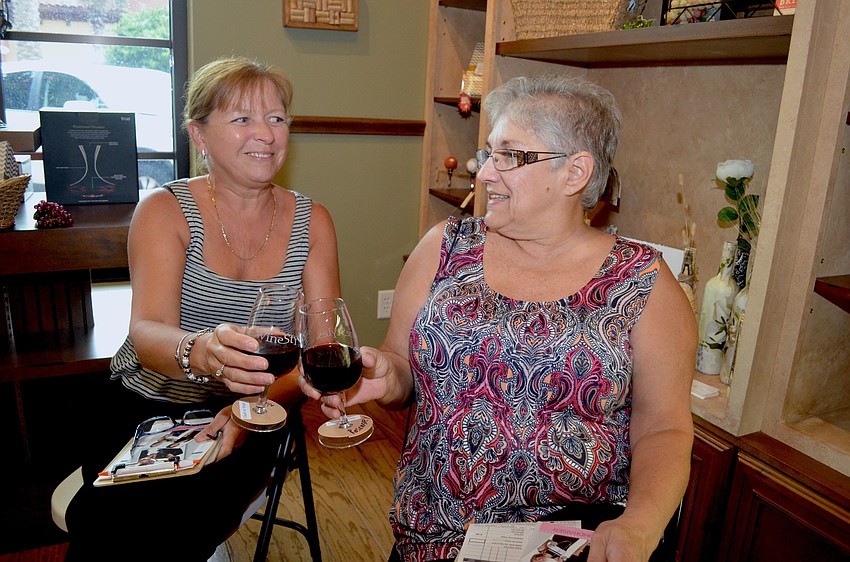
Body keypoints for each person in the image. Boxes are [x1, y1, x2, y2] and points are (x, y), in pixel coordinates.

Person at [301, 74, 696, 562]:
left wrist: (639, 525)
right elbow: (399, 367)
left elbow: (664, 428)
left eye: (509, 155)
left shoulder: (642, 281)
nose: (485, 173)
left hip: (565, 544)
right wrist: (385, 377)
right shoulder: (445, 247)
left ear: (575, 172)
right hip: (435, 537)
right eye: (488, 153)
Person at [64, 56, 340, 560]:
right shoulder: (164, 210)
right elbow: (147, 332)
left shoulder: (313, 220)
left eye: (276, 118)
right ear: (199, 135)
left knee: (185, 513)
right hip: (146, 401)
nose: (265, 134)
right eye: (242, 118)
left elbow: (318, 354)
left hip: (257, 408)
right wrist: (204, 351)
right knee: (110, 522)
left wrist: (246, 410)